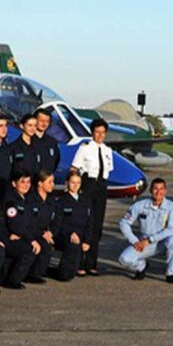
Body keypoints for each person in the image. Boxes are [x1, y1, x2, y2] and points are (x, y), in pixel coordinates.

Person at [70, 118, 113, 276]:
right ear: (92, 132)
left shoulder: (108, 150)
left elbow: (109, 170)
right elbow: (74, 168)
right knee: (85, 222)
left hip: (101, 186)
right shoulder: (85, 148)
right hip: (88, 184)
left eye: (103, 132)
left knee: (97, 225)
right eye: (97, 132)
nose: (100, 135)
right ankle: (80, 263)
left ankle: (92, 263)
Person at [118, 178, 173, 283]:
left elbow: (172, 230)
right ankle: (142, 266)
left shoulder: (171, 207)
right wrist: (134, 241)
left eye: (161, 189)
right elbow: (123, 223)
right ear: (150, 190)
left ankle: (171, 273)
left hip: (162, 242)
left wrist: (151, 239)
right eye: (155, 189)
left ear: (165, 191)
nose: (158, 192)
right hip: (143, 244)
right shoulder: (140, 205)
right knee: (124, 260)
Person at [49, 171, 92, 281]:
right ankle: (61, 273)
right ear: (67, 183)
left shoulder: (86, 201)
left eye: (78, 182)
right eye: (73, 182)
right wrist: (69, 234)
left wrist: (87, 240)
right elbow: (58, 223)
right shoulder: (61, 201)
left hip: (81, 236)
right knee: (67, 274)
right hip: (65, 235)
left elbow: (89, 222)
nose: (75, 185)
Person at [1, 170, 37, 289]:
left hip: (18, 235)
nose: (26, 185)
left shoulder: (27, 201)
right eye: (22, 182)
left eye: (28, 182)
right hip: (6, 236)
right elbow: (14, 223)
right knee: (28, 249)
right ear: (14, 183)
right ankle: (12, 280)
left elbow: (29, 224)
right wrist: (30, 239)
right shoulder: (11, 200)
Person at [26, 170, 57, 284]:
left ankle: (41, 270)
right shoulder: (30, 199)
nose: (52, 185)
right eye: (49, 182)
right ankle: (32, 274)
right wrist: (41, 234)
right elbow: (28, 222)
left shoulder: (51, 200)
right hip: (32, 232)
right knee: (43, 245)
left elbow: (57, 221)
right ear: (40, 183)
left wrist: (51, 232)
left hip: (46, 233)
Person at [34, 108, 60, 173]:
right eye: (42, 121)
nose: (44, 124)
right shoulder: (28, 140)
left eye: (47, 121)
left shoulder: (52, 142)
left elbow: (56, 160)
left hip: (46, 180)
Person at [0, 115, 12, 201]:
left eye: (6, 125)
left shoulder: (8, 148)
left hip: (5, 195)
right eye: (0, 126)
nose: (4, 129)